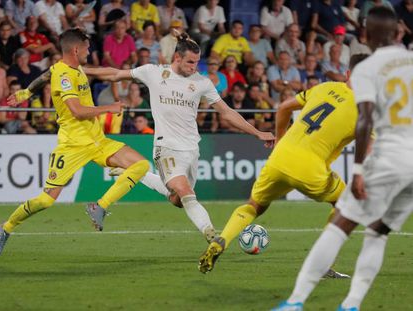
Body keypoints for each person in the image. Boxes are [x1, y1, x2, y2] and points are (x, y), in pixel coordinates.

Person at [271, 7, 413, 311]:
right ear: (399, 33)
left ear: (365, 35)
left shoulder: (368, 68)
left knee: (339, 225)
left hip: (391, 156)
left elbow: (364, 121)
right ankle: (351, 304)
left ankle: (295, 302)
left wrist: (359, 170)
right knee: (378, 233)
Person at [83, 33, 275, 242]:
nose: (194, 67)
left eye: (197, 62)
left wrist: (257, 132)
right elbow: (115, 74)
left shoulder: (202, 83)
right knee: (184, 190)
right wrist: (82, 70)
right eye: (190, 62)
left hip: (192, 149)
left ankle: (136, 174)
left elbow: (226, 112)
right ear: (177, 58)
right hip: (166, 147)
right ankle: (213, 236)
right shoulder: (153, 72)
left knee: (178, 199)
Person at [198, 54, 369, 277]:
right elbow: (368, 148)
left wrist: (279, 140)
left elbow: (283, 108)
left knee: (254, 205)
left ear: (347, 74)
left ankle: (221, 241)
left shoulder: (324, 87)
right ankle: (322, 264)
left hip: (279, 158)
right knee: (346, 205)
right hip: (311, 168)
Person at [0, 28, 151, 256]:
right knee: (45, 200)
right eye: (88, 48)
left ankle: (99, 206)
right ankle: (5, 228)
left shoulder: (73, 68)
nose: (90, 52)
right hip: (72, 146)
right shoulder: (64, 76)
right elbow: (77, 111)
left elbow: (101, 72)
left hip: (97, 140)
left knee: (141, 165)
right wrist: (108, 108)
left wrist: (134, 73)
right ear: (76, 49)